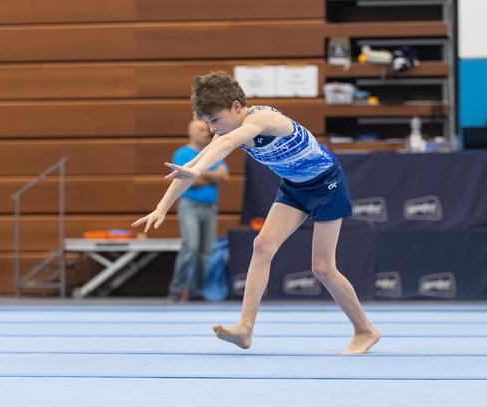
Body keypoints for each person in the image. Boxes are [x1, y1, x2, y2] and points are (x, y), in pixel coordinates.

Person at [132, 71, 380, 354]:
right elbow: (193, 166)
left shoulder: (263, 119)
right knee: (262, 245)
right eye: (208, 123)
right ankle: (245, 328)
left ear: (236, 107)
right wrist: (162, 207)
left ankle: (365, 330)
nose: (213, 129)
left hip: (326, 184)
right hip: (295, 187)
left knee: (322, 268)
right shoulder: (225, 130)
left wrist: (199, 169)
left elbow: (223, 146)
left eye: (215, 120)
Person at [168, 120, 228, 302]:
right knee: (191, 248)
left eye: (206, 129)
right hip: (190, 207)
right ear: (191, 133)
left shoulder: (212, 151)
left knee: (206, 253)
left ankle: (197, 290)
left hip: (210, 209)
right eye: (201, 129)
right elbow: (186, 182)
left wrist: (197, 174)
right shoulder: (182, 154)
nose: (206, 132)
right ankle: (176, 289)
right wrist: (210, 176)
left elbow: (223, 176)